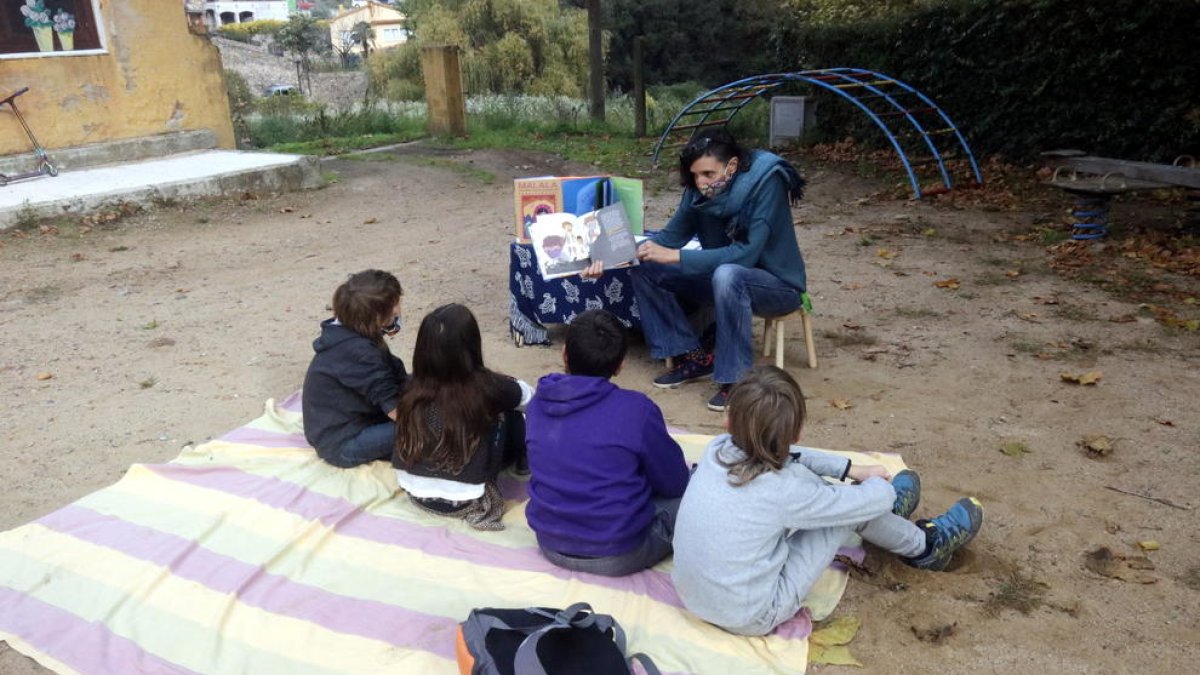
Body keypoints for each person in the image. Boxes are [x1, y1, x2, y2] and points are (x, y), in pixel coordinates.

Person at [671, 365, 983, 636]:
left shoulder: (718, 448)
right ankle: (925, 547)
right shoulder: (787, 490)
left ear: (729, 421)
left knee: (836, 499)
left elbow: (792, 456)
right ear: (798, 432)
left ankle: (887, 523)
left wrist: (850, 468)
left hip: (692, 598)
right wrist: (877, 485)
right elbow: (870, 495)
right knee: (843, 509)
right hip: (751, 616)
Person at [629, 128, 809, 413]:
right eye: (695, 175)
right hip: (722, 277)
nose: (700, 183)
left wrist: (676, 256)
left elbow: (746, 255)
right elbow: (669, 237)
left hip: (777, 284)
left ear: (733, 166)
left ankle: (735, 380)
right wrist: (615, 255)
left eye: (708, 175)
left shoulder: (767, 181)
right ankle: (694, 355)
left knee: (729, 274)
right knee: (646, 265)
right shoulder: (697, 188)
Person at [525, 309, 690, 576]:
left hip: (550, 543)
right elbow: (675, 483)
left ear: (564, 353)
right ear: (621, 364)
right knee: (697, 499)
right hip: (620, 551)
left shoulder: (537, 404)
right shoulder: (637, 410)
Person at [392, 303, 533, 530]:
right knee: (511, 415)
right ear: (471, 346)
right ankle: (522, 463)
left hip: (416, 495)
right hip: (471, 501)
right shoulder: (487, 386)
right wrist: (507, 383)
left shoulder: (410, 386)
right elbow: (529, 398)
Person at [302, 269, 408, 468]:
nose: (398, 310)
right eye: (394, 304)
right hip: (342, 444)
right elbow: (396, 411)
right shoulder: (359, 353)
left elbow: (394, 377)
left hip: (354, 421)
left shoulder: (350, 332)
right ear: (376, 316)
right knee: (429, 429)